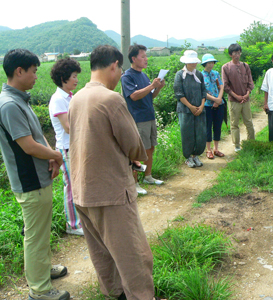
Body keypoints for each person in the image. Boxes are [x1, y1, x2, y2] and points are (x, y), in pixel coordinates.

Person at [68, 45, 165, 300]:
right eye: (120, 68)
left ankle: (117, 295)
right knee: (134, 255)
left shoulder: (76, 98)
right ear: (114, 66)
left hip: (82, 191)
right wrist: (137, 161)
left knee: (103, 254)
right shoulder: (111, 99)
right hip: (111, 192)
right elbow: (134, 144)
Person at [0, 49, 69, 300]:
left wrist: (51, 156)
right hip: (29, 181)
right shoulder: (9, 104)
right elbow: (28, 146)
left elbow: (37, 137)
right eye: (33, 71)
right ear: (19, 71)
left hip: (38, 177)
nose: (36, 76)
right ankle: (39, 291)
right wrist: (57, 156)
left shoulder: (20, 99)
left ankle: (41, 269)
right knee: (35, 235)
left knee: (39, 230)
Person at [121, 44, 165, 195]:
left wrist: (158, 88)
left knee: (150, 148)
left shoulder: (144, 75)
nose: (146, 59)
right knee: (137, 152)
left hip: (149, 116)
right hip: (138, 119)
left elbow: (149, 95)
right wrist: (151, 85)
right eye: (143, 56)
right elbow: (133, 96)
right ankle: (134, 183)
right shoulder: (127, 76)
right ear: (134, 59)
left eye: (146, 56)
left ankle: (148, 176)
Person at [49, 58, 84, 235]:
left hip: (75, 146)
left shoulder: (70, 97)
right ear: (63, 78)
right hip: (66, 148)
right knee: (71, 186)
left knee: (78, 184)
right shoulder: (58, 99)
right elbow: (68, 127)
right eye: (73, 76)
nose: (76, 80)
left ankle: (79, 221)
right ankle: (72, 224)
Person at [173, 50, 207, 168]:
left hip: (200, 110)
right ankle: (188, 157)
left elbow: (204, 91)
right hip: (185, 110)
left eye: (194, 62)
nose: (193, 64)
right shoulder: (179, 75)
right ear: (186, 62)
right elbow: (179, 93)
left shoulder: (199, 74)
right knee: (187, 134)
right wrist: (191, 107)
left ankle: (196, 155)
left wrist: (201, 106)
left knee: (200, 134)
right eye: (191, 62)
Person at [221, 43, 255, 152]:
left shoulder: (245, 66)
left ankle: (251, 143)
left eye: (239, 52)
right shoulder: (226, 67)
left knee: (248, 122)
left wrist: (246, 94)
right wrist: (237, 96)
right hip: (234, 101)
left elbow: (250, 82)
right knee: (234, 124)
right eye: (235, 53)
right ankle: (237, 145)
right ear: (231, 54)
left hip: (246, 100)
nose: (237, 55)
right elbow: (225, 86)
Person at [201, 53, 225, 159]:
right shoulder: (200, 75)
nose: (211, 65)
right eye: (208, 63)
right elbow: (202, 92)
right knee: (208, 127)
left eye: (212, 62)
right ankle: (208, 150)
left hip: (219, 104)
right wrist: (215, 99)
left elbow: (221, 87)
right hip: (207, 105)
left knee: (217, 126)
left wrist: (219, 99)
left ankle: (216, 149)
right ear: (204, 64)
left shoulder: (216, 73)